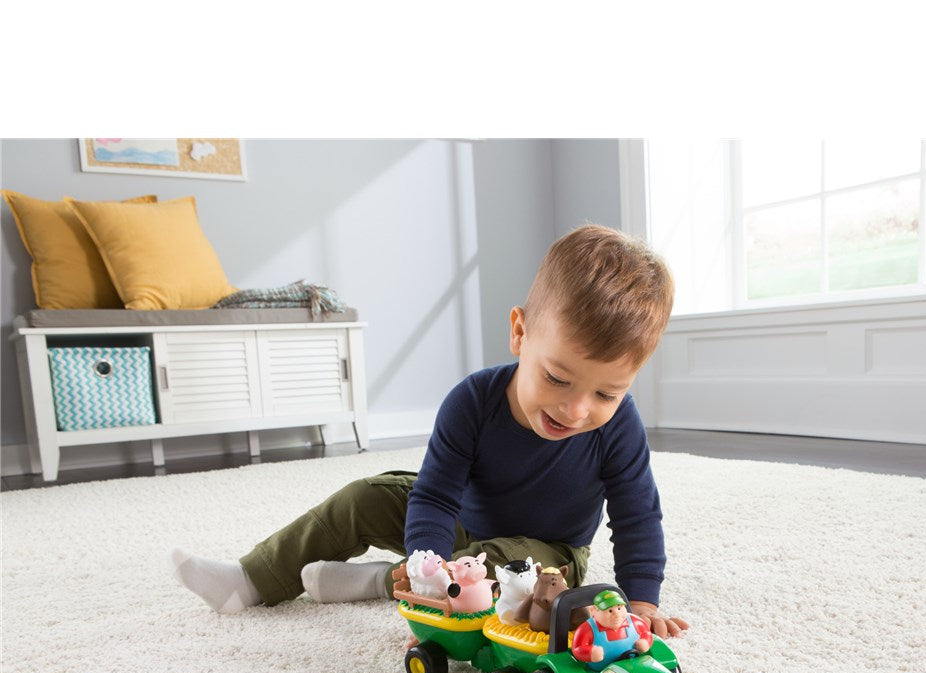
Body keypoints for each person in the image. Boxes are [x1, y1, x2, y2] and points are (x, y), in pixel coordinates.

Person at [171, 224, 689, 638]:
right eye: (557, 378)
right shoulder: (472, 401)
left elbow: (637, 516)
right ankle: (251, 579)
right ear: (519, 332)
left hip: (547, 554)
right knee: (363, 497)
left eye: (606, 394)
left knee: (502, 573)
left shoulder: (619, 427)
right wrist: (427, 564)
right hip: (461, 524)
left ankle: (379, 581)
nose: (576, 410)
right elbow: (436, 496)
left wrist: (642, 603)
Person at [571, 589, 653, 668]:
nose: (617, 614)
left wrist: (645, 642)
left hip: (632, 664)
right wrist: (590, 653)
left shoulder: (635, 622)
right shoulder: (587, 628)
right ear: (593, 610)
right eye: (610, 611)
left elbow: (646, 633)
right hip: (601, 670)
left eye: (619, 608)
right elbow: (578, 648)